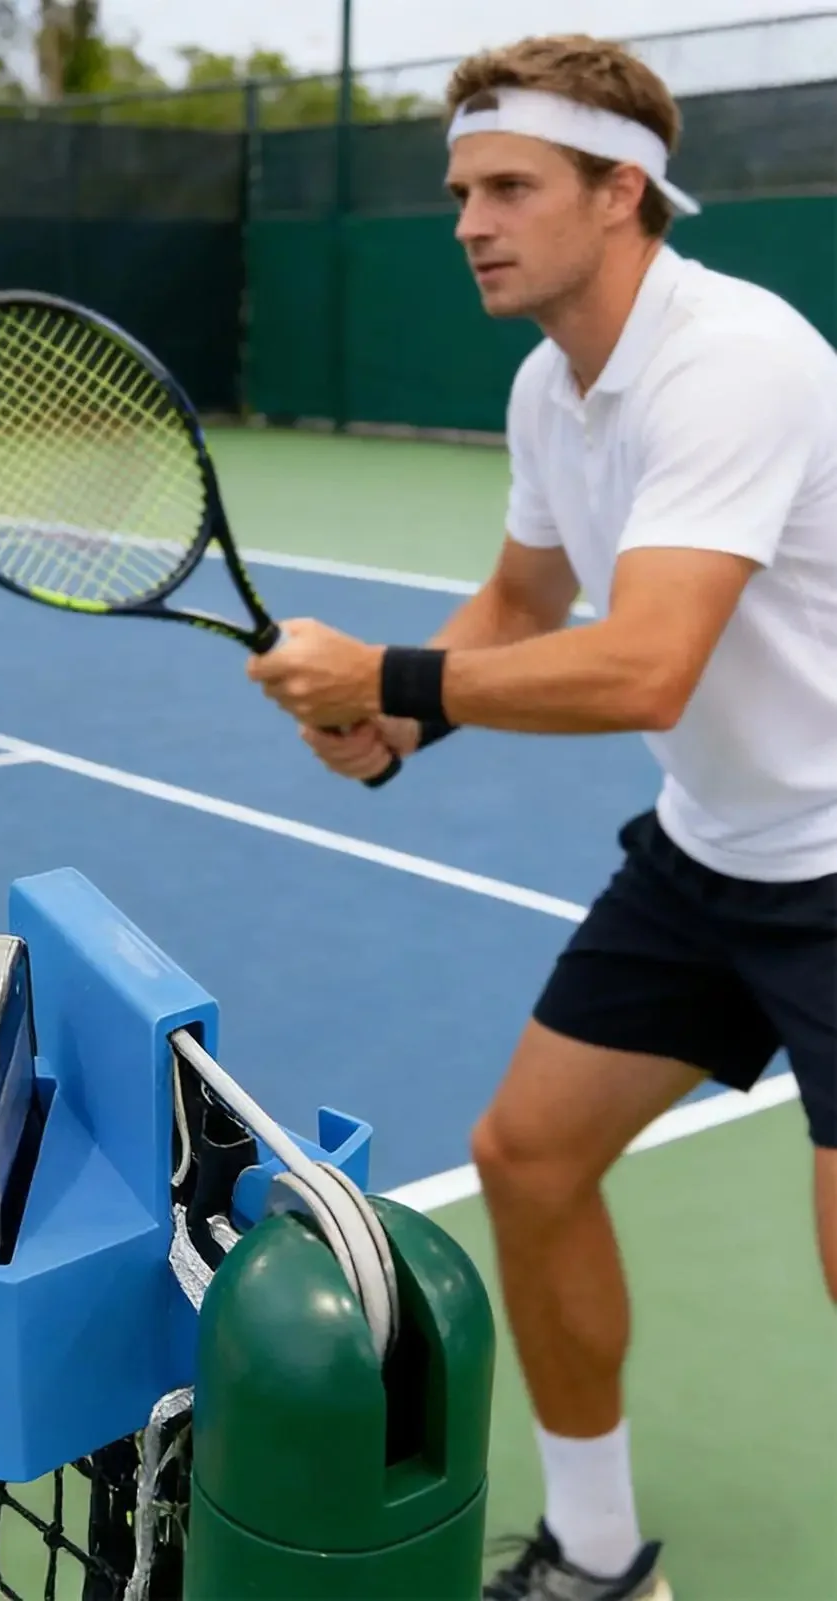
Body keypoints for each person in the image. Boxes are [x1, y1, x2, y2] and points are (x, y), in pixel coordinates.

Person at [246, 33, 837, 1601]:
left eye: (508, 185)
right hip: (715, 851)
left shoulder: (735, 358)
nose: (467, 219)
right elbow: (524, 596)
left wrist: (387, 669)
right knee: (527, 1155)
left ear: (618, 190)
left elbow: (645, 661)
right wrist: (399, 720)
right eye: (457, 191)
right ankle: (595, 1556)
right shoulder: (547, 385)